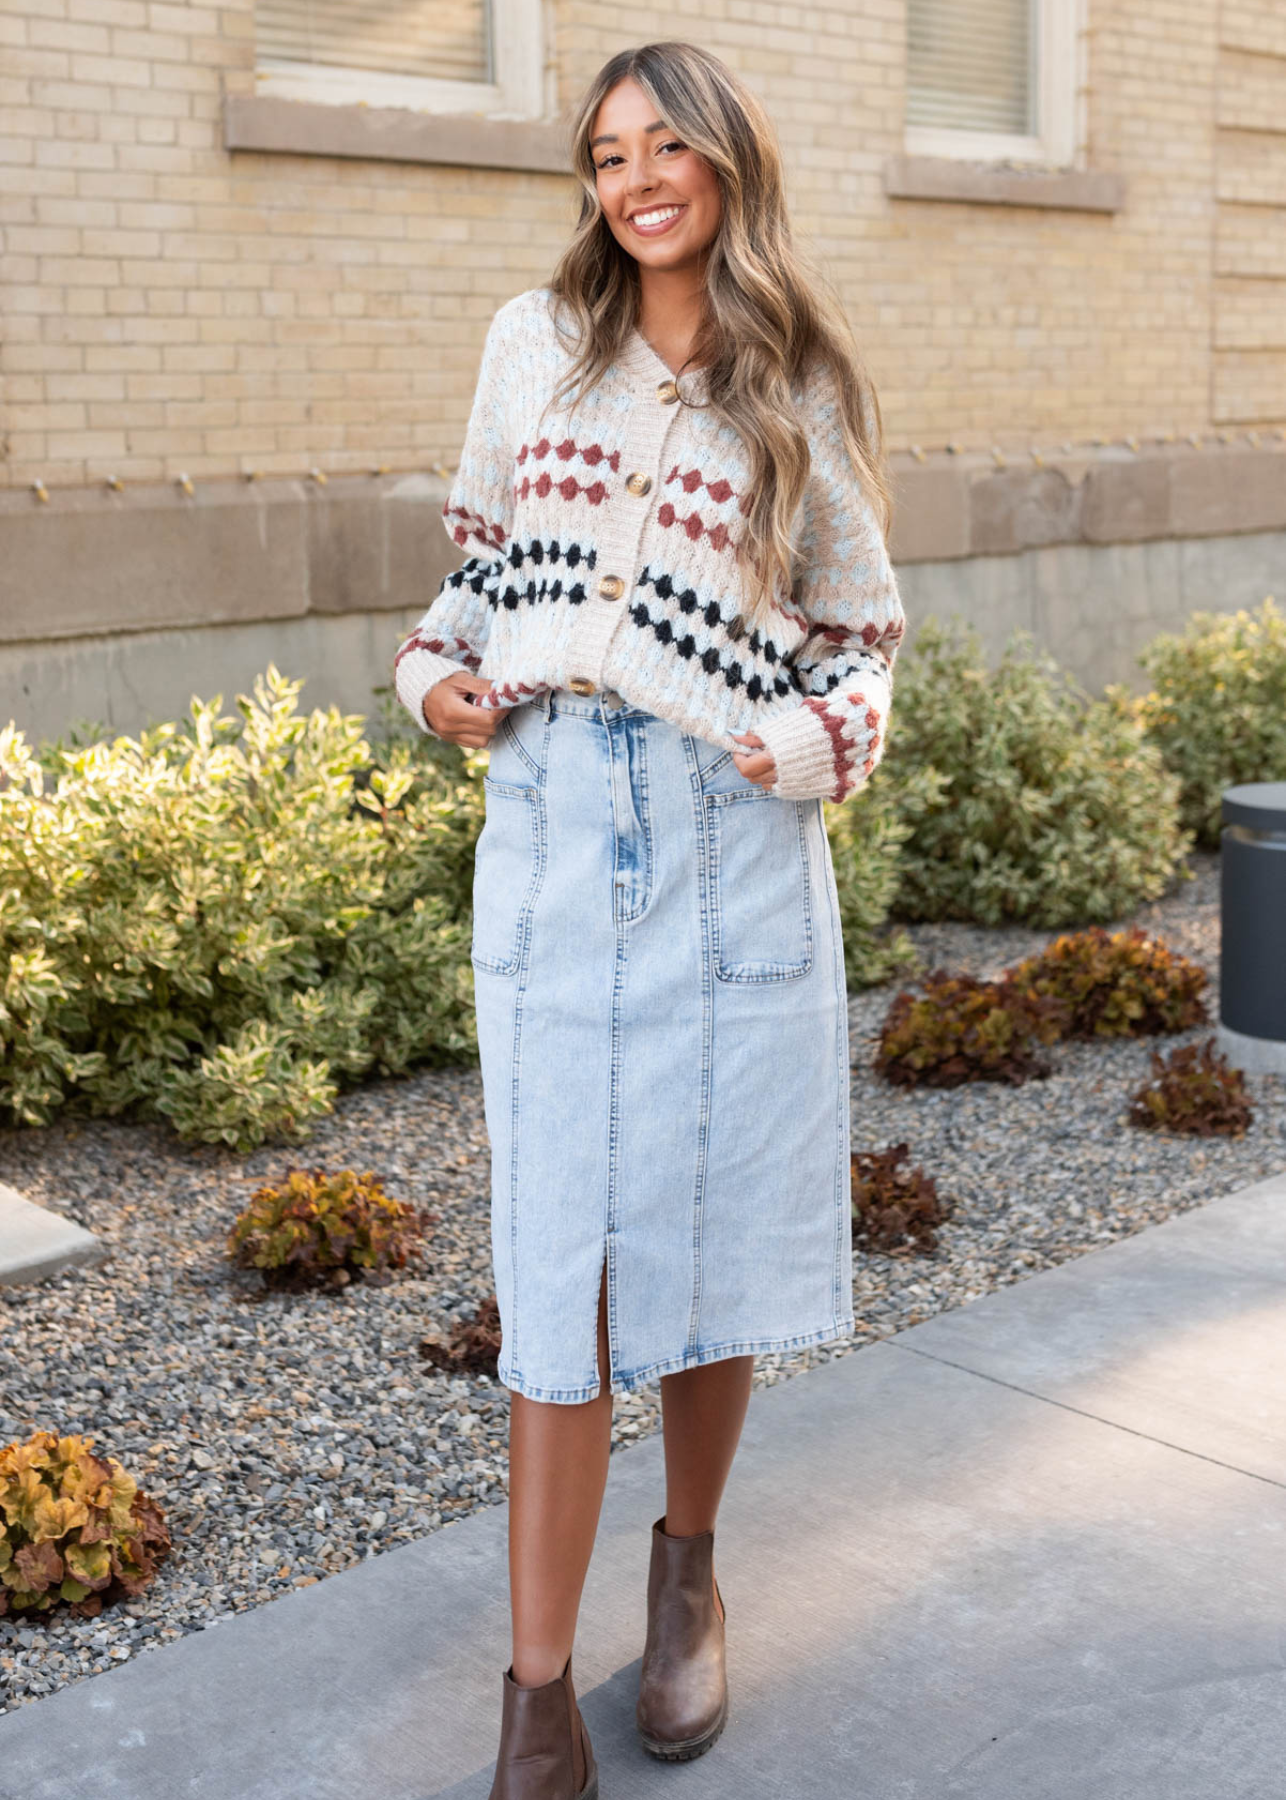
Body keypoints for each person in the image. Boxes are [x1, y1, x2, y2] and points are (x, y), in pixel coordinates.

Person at [393, 40, 906, 1800]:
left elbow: (862, 640)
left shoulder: (801, 380)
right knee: (561, 1271)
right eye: (605, 154)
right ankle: (536, 1691)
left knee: (704, 1248)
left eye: (664, 142)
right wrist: (429, 673)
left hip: (727, 833)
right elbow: (472, 575)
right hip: (549, 825)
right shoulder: (532, 343)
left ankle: (683, 1575)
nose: (634, 178)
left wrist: (808, 738)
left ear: (724, 163)